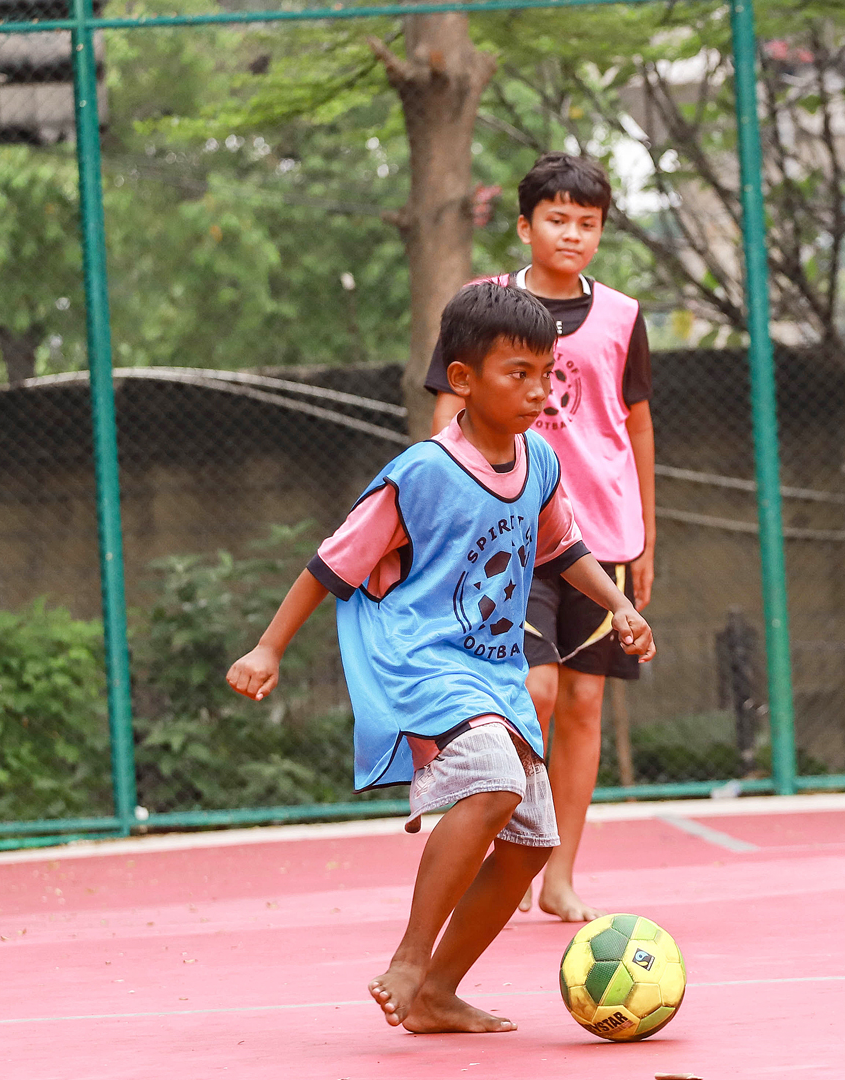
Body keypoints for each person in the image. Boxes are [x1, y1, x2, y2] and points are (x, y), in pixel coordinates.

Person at [226, 282, 655, 1035]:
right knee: (491, 786)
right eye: (515, 373)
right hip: (422, 662)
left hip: (492, 670)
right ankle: (409, 960)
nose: (537, 390)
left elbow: (562, 548)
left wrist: (618, 604)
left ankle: (435, 993)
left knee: (530, 844)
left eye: (545, 373)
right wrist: (269, 646)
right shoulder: (423, 471)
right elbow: (331, 564)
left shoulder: (540, 461)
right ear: (462, 380)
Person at [427, 153, 656, 923]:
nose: (572, 234)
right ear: (525, 226)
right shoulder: (481, 302)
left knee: (585, 702)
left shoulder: (623, 316)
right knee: (535, 689)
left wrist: (646, 534)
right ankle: (508, 852)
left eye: (588, 223)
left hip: (604, 535)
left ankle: (559, 874)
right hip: (507, 535)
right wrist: (440, 520)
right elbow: (444, 416)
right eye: (557, 219)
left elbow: (637, 427)